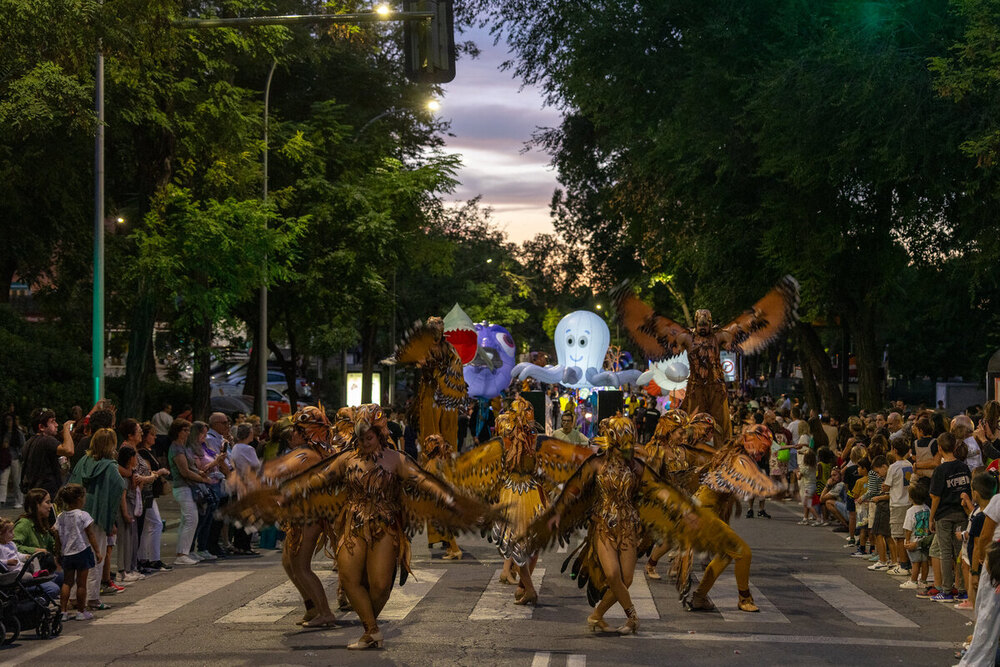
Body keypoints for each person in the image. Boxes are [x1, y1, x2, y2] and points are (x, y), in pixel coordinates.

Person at [67, 428, 126, 611]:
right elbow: (119, 486)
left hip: (78, 512)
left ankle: (73, 596)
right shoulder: (109, 466)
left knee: (77, 556)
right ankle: (92, 598)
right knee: (95, 557)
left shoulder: (83, 461)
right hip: (97, 516)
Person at [927, 431, 971, 602]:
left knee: (946, 553)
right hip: (961, 514)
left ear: (939, 448)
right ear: (954, 447)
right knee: (960, 552)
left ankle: (946, 590)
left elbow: (935, 497)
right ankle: (962, 589)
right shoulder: (964, 467)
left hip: (944, 515)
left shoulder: (940, 470)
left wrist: (932, 518)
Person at [53, 483, 102, 621]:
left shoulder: (61, 516)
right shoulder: (83, 515)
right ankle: (81, 611)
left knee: (67, 582)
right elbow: (90, 534)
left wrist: (58, 551)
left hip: (67, 553)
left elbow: (57, 534)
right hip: (82, 550)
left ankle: (63, 612)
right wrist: (97, 551)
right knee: (81, 583)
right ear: (79, 498)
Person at [167, 419, 212, 566]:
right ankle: (182, 554)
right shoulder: (176, 448)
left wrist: (200, 473)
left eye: (188, 430)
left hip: (188, 486)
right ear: (177, 432)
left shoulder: (182, 446)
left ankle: (184, 552)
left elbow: (190, 468)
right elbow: (184, 471)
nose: (187, 433)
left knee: (188, 520)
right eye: (184, 430)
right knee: (191, 519)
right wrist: (202, 479)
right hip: (183, 487)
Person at [136, 422, 170, 571]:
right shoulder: (142, 452)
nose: (155, 437)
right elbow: (147, 472)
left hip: (149, 491)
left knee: (147, 525)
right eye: (152, 434)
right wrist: (160, 472)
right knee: (156, 523)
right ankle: (152, 558)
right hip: (145, 491)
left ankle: (144, 557)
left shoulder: (149, 451)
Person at [21, 408, 74, 500]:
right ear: (41, 427)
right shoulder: (46, 440)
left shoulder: (29, 442)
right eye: (52, 422)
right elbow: (69, 450)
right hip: (47, 496)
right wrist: (66, 429)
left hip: (35, 494)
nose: (57, 425)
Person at [228, 423, 260, 555]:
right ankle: (245, 546)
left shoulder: (235, 447)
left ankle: (238, 545)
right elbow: (256, 465)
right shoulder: (248, 449)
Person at [884, 440, 914, 576]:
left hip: (897, 503)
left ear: (894, 450)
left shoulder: (893, 467)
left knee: (899, 536)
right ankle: (907, 563)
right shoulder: (910, 465)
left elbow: (887, 485)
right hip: (908, 501)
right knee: (907, 534)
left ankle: (903, 564)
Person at [900, 484, 931, 591]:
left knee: (915, 562)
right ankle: (923, 580)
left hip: (914, 540)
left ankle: (913, 580)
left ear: (911, 497)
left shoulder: (911, 511)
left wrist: (907, 539)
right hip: (925, 540)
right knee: (925, 562)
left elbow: (908, 527)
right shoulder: (927, 508)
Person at [0, 414, 25, 508]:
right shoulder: (3, 433)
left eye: (10, 420)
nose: (8, 422)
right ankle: (2, 500)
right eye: (7, 420)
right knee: (3, 480)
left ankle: (19, 500)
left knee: (16, 480)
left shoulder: (17, 433)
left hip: (15, 458)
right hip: (4, 459)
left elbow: (23, 445)